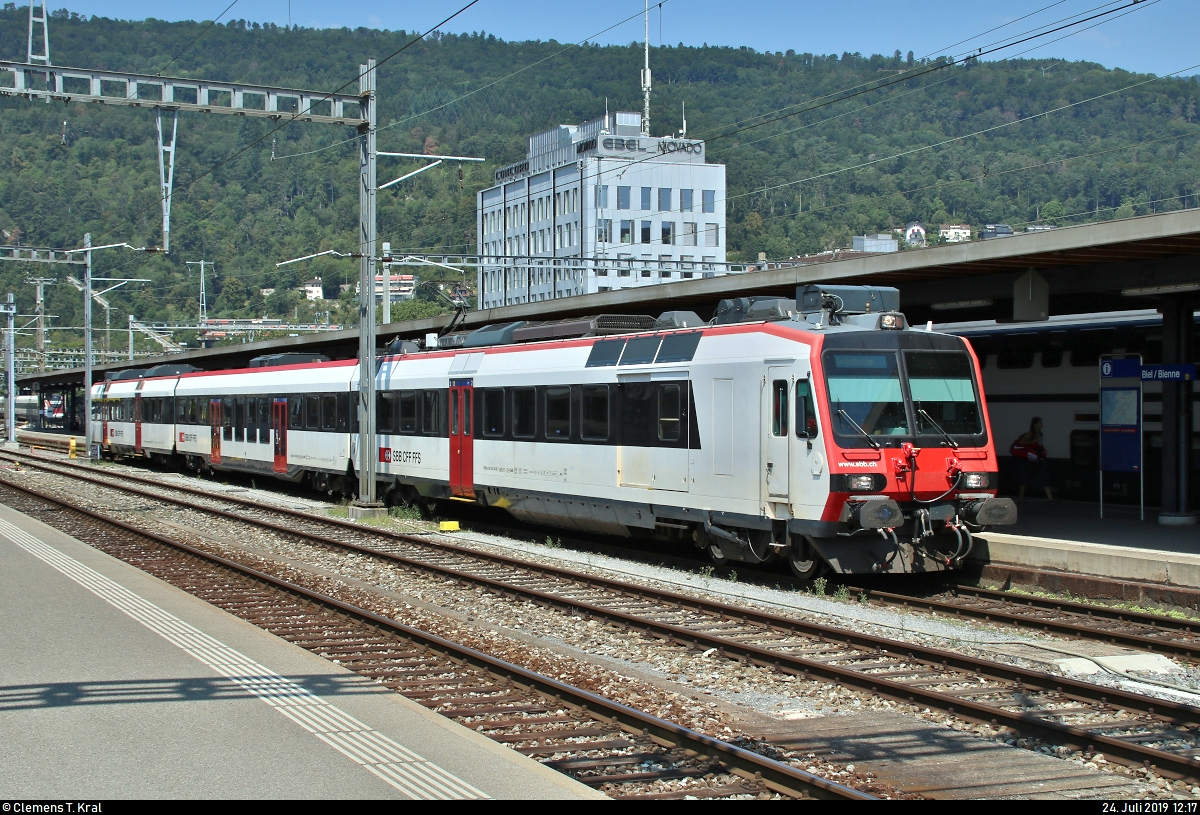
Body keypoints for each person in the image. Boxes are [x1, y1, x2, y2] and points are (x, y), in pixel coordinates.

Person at [1010, 417, 1059, 503]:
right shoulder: (1031, 433)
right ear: (1036, 424)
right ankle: (1021, 499)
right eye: (1040, 423)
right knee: (1024, 479)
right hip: (1029, 461)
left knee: (1043, 478)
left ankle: (1051, 499)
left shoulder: (1040, 433)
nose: (1042, 425)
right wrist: (1033, 441)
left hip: (1037, 460)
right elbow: (1021, 442)